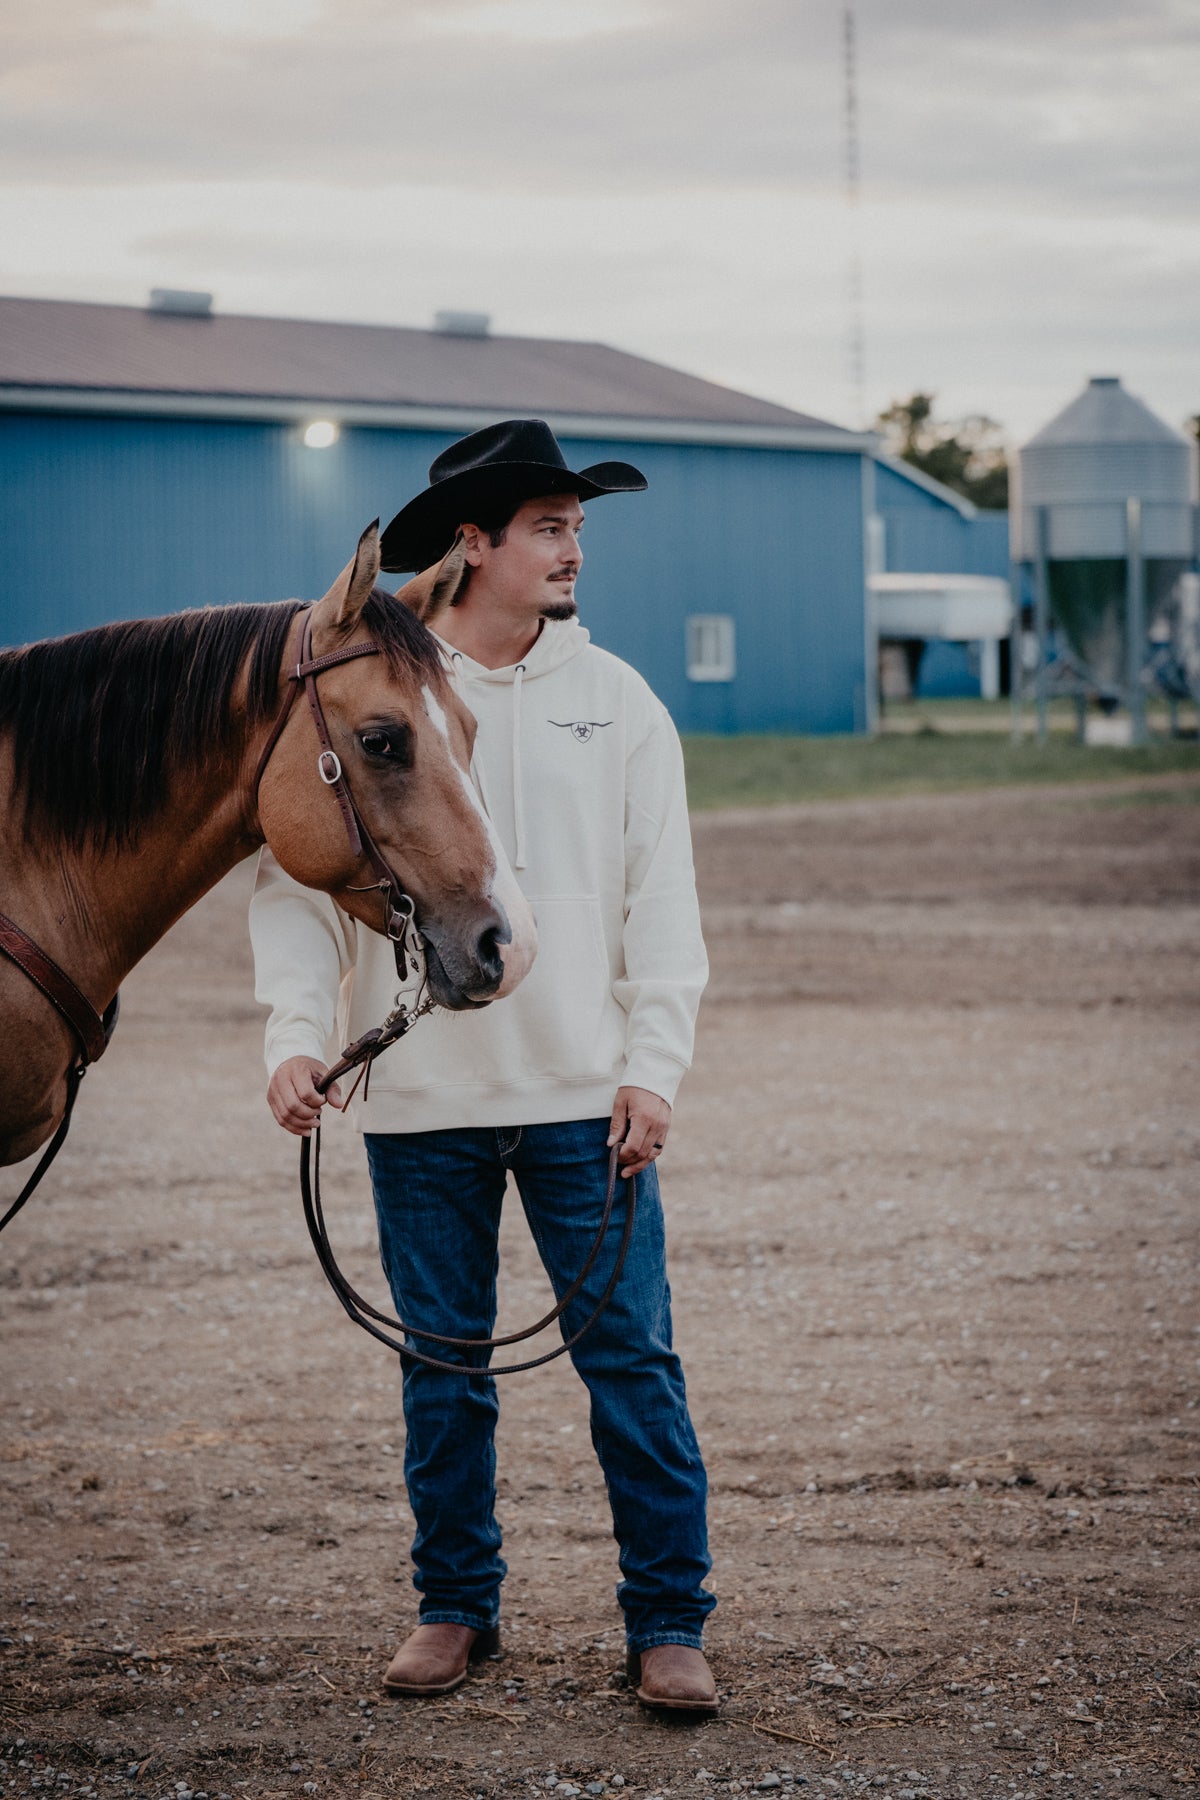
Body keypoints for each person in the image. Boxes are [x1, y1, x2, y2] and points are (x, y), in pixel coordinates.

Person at [249, 419, 717, 1714]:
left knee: (629, 1361)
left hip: (584, 1098)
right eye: (551, 528)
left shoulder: (618, 702)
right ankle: (457, 1608)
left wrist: (654, 1068)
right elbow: (294, 882)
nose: (574, 551)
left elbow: (660, 905)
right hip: (422, 1103)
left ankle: (668, 1622)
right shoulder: (381, 696)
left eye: (578, 528)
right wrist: (297, 1037)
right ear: (477, 544)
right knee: (441, 1366)